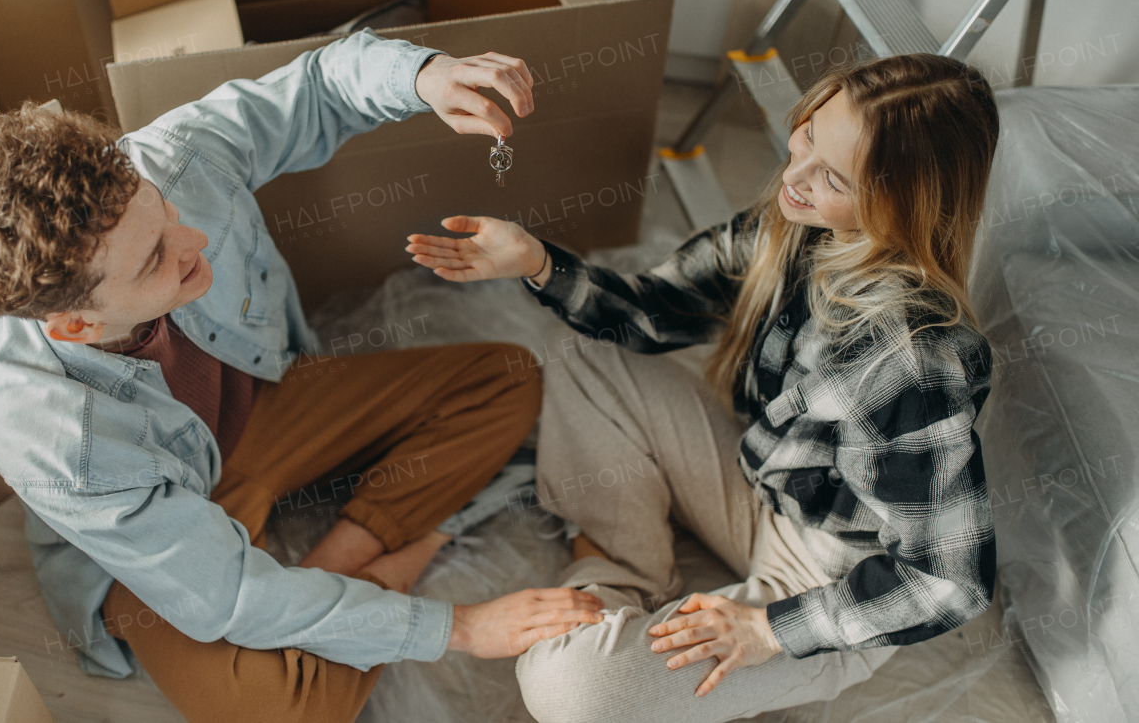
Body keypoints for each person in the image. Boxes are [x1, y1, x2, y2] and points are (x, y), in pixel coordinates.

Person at [0, 28, 602, 723]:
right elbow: (229, 596)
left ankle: (352, 557)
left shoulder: (163, 160)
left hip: (264, 406)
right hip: (161, 512)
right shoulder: (53, 433)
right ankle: (392, 562)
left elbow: (320, 84)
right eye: (155, 260)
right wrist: (456, 626)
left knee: (507, 376)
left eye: (165, 210)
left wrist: (426, 76)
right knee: (283, 709)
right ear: (76, 327)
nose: (193, 242)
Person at [406, 53, 1001, 722]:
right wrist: (538, 263)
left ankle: (633, 613)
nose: (794, 175)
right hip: (759, 487)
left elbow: (951, 580)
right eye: (806, 134)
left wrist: (768, 630)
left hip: (827, 574)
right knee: (580, 350)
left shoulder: (915, 364)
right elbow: (658, 306)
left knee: (568, 689)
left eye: (832, 176)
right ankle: (629, 576)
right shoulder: (798, 228)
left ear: (898, 205)